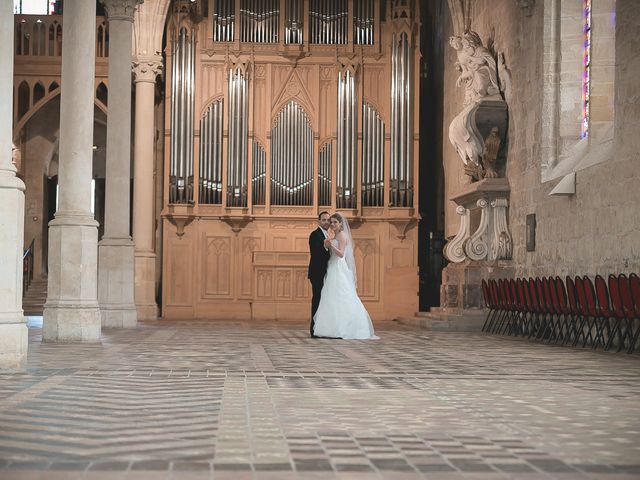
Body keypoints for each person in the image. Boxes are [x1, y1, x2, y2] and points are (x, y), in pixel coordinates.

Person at [313, 213, 378, 340]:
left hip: (338, 267)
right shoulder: (335, 235)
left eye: (335, 222)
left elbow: (342, 254)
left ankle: (345, 328)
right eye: (331, 222)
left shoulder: (342, 235)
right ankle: (332, 328)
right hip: (332, 266)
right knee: (331, 298)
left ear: (341, 223)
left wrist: (330, 245)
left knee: (341, 297)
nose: (332, 224)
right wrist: (327, 245)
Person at [307, 211, 331, 337]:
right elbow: (316, 253)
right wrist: (326, 247)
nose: (326, 222)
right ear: (319, 221)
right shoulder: (314, 234)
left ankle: (322, 327)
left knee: (324, 301)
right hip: (317, 273)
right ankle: (314, 329)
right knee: (317, 299)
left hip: (325, 272)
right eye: (324, 220)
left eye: (328, 220)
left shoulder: (327, 234)